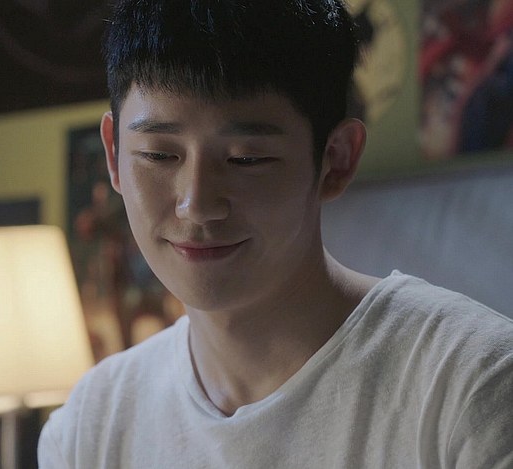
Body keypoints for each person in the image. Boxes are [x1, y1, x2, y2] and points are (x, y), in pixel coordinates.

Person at [38, 0, 513, 467]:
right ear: (113, 153)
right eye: (159, 155)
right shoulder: (89, 428)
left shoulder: (473, 386)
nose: (196, 204)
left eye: (246, 159)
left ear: (336, 160)